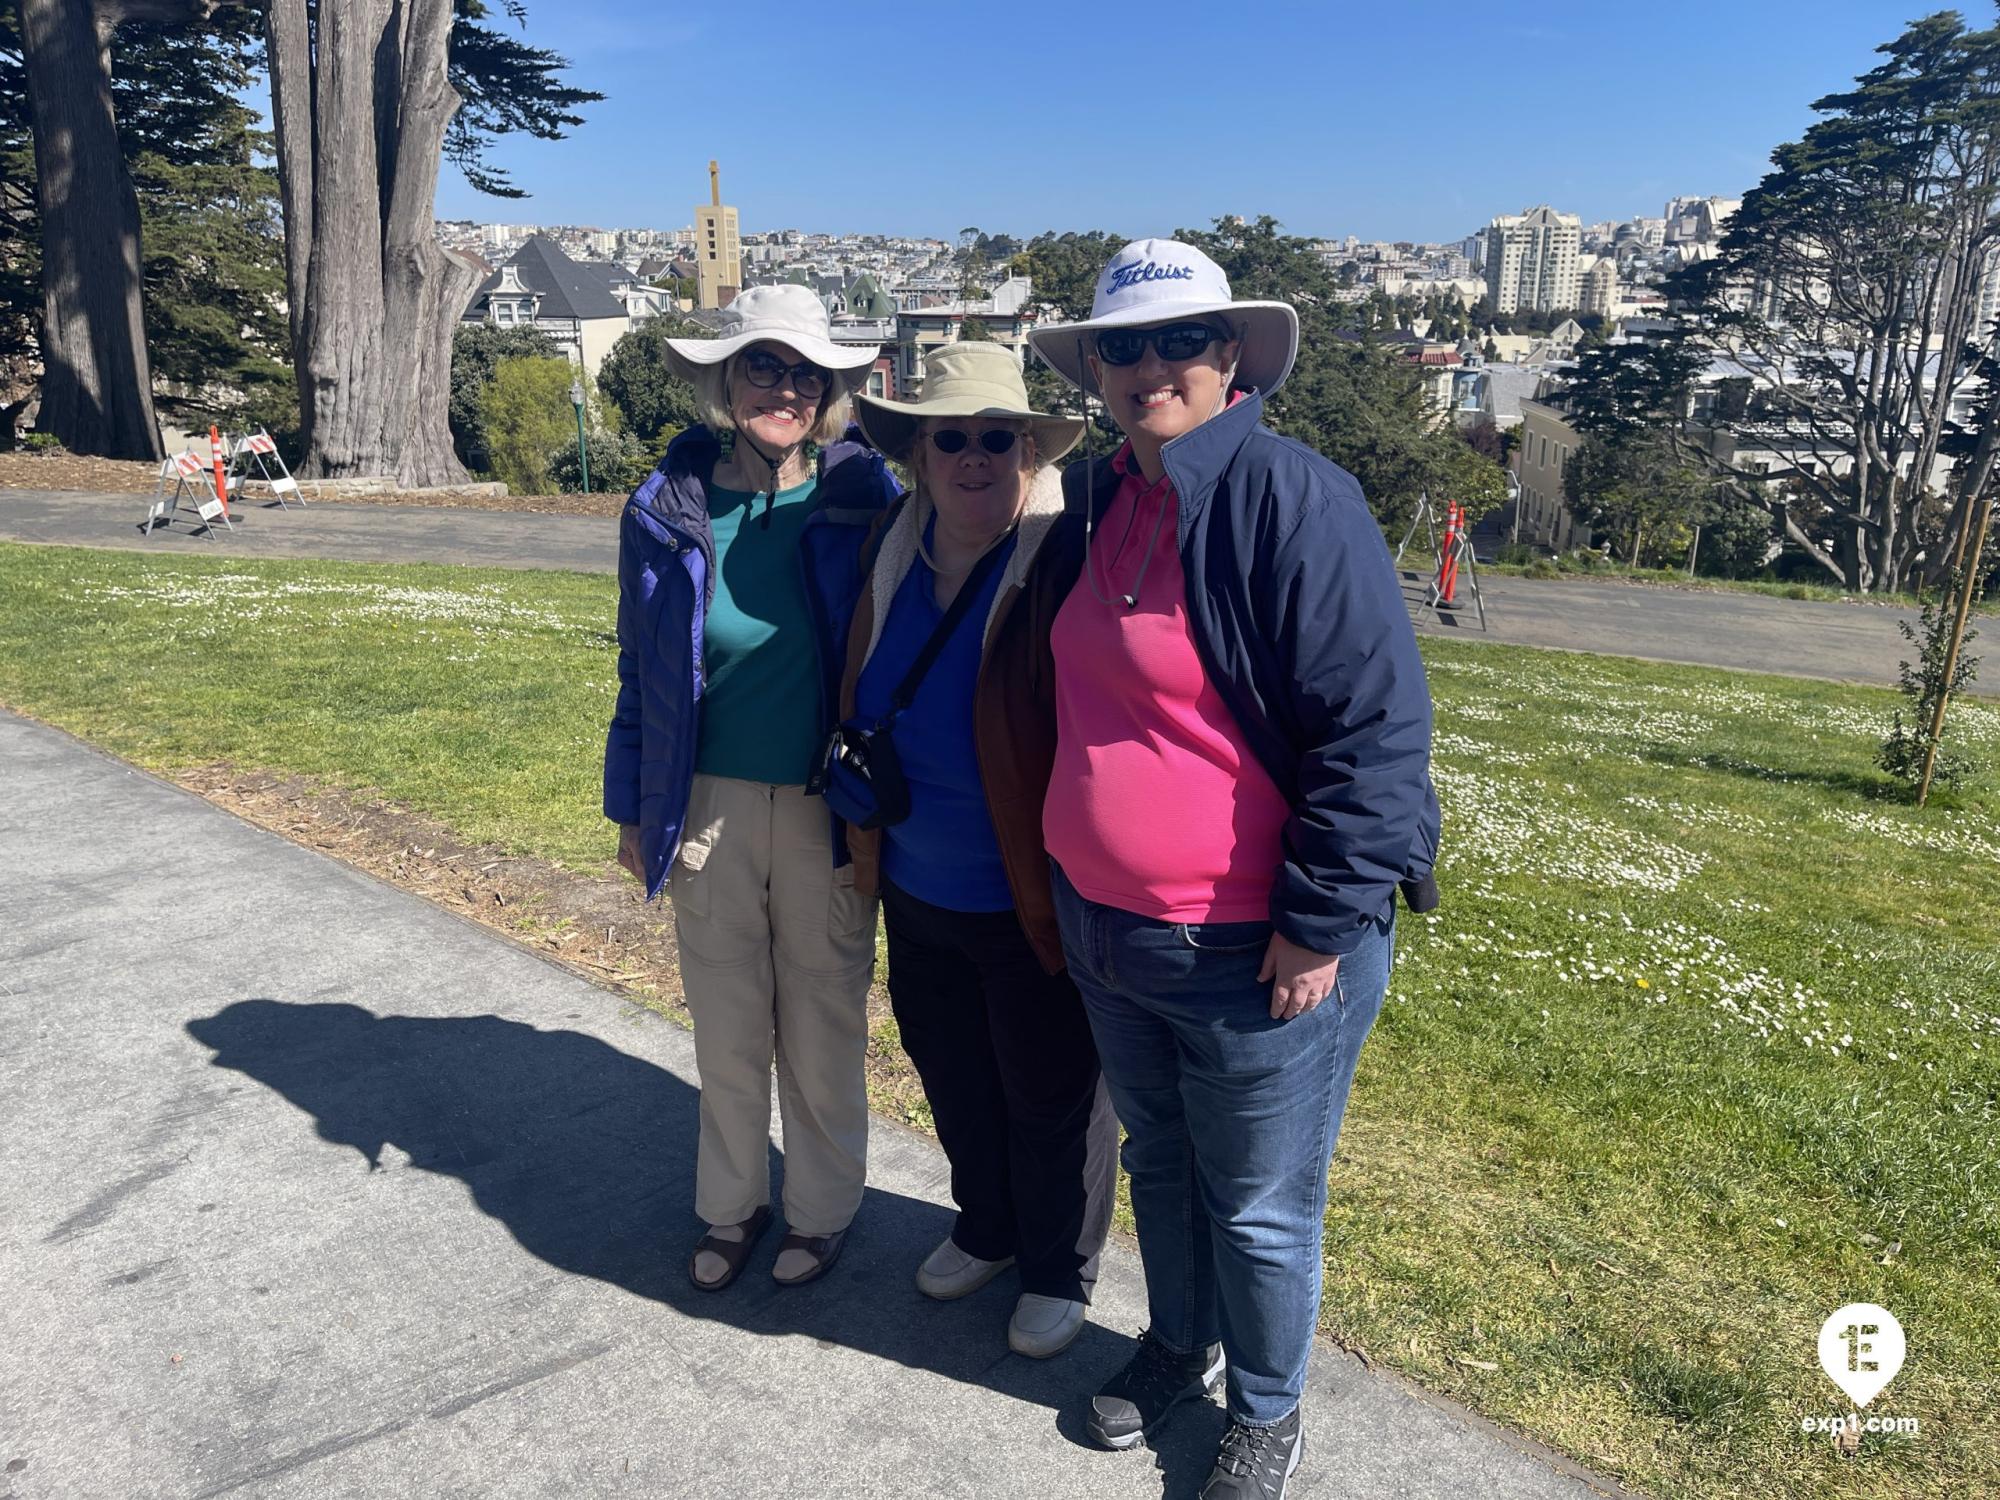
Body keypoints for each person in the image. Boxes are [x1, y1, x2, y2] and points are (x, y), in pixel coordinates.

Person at [1026, 239, 1441, 1498]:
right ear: (1095, 366)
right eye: (1122, 345)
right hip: (1109, 929)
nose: (1148, 365)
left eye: (1178, 342)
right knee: (1160, 1160)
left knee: (1259, 1205)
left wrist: (1316, 926)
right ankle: (1178, 1342)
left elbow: (1373, 735)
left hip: (1252, 946)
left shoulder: (1289, 497)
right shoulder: (1096, 499)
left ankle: (1266, 1410)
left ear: (1228, 358)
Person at [824, 342, 1120, 1359]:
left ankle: (1058, 1265)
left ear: (1031, 450)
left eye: (998, 437)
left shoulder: (1064, 558)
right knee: (951, 1075)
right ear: (917, 454)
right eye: (949, 438)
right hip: (915, 886)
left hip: (1026, 892)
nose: (973, 457)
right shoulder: (892, 548)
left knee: (1051, 1094)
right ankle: (987, 1227)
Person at [602, 284, 898, 1291]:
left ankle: (821, 1211)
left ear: (828, 392)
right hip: (708, 806)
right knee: (727, 1031)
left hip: (827, 811)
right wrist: (633, 808)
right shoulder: (665, 510)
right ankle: (731, 1206)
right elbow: (640, 670)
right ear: (725, 382)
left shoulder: (865, 501)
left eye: (804, 373)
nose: (784, 388)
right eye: (762, 367)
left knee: (822, 1025)